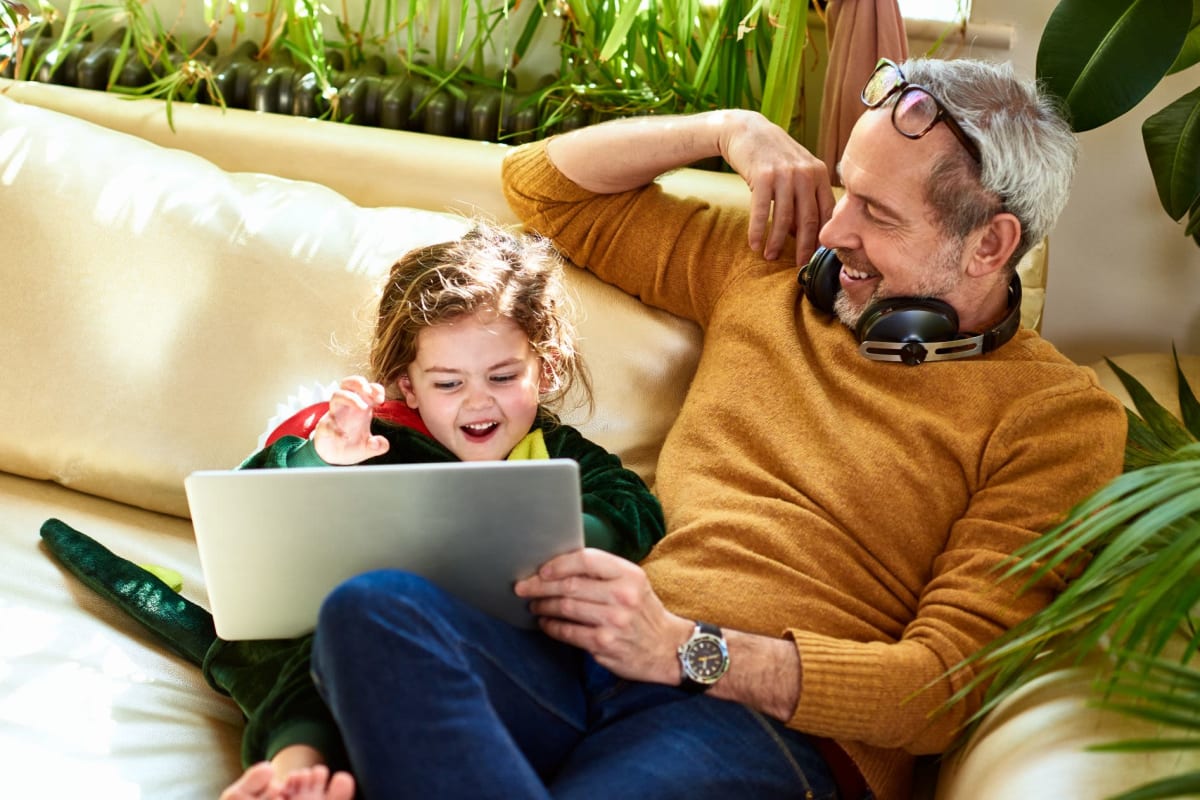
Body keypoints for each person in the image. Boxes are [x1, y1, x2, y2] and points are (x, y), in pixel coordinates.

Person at [305, 58, 1127, 800]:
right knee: (370, 610)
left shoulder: (1056, 417)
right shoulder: (768, 268)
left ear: (990, 243)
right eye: (845, 191)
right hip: (583, 657)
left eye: (877, 212)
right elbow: (541, 186)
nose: (837, 232)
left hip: (755, 721)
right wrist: (726, 130)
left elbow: (944, 687)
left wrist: (688, 650)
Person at [39, 223, 664, 800]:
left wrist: (563, 539)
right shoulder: (376, 443)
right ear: (408, 386)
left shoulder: (560, 456)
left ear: (545, 368)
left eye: (503, 377)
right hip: (351, 659)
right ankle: (295, 766)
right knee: (298, 628)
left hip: (513, 670)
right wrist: (325, 458)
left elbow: (631, 504)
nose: (479, 402)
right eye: (449, 383)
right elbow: (252, 509)